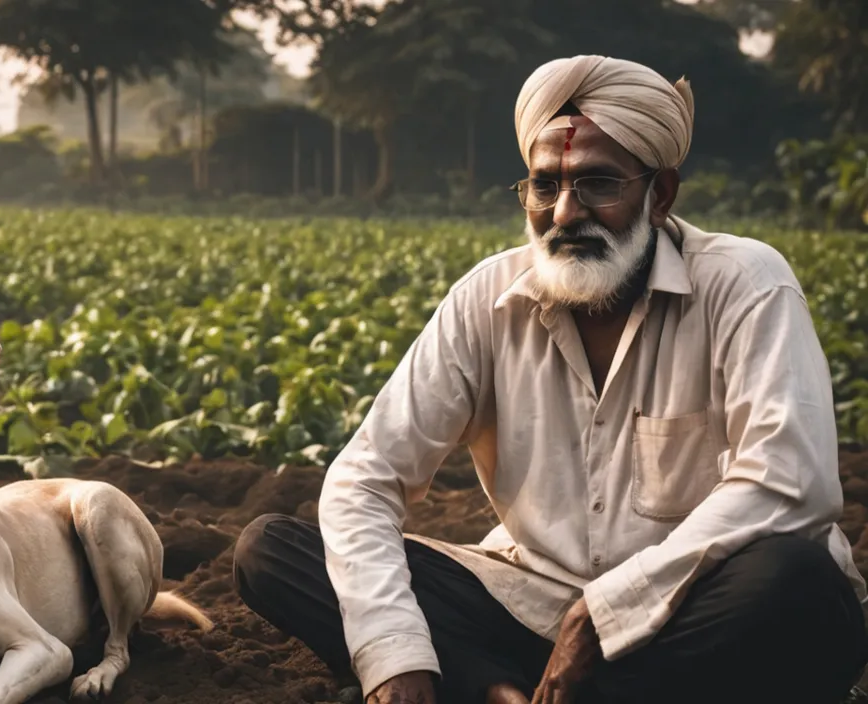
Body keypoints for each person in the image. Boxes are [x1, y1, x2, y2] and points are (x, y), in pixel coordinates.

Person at [232, 54, 868, 704]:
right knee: (274, 554)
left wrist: (605, 611)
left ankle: (496, 690)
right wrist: (394, 655)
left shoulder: (745, 284)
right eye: (544, 185)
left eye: (597, 184)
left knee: (796, 578)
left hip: (695, 607)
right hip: (536, 609)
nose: (564, 212)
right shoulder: (487, 298)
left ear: (661, 194)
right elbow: (364, 481)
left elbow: (788, 484)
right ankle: (514, 690)